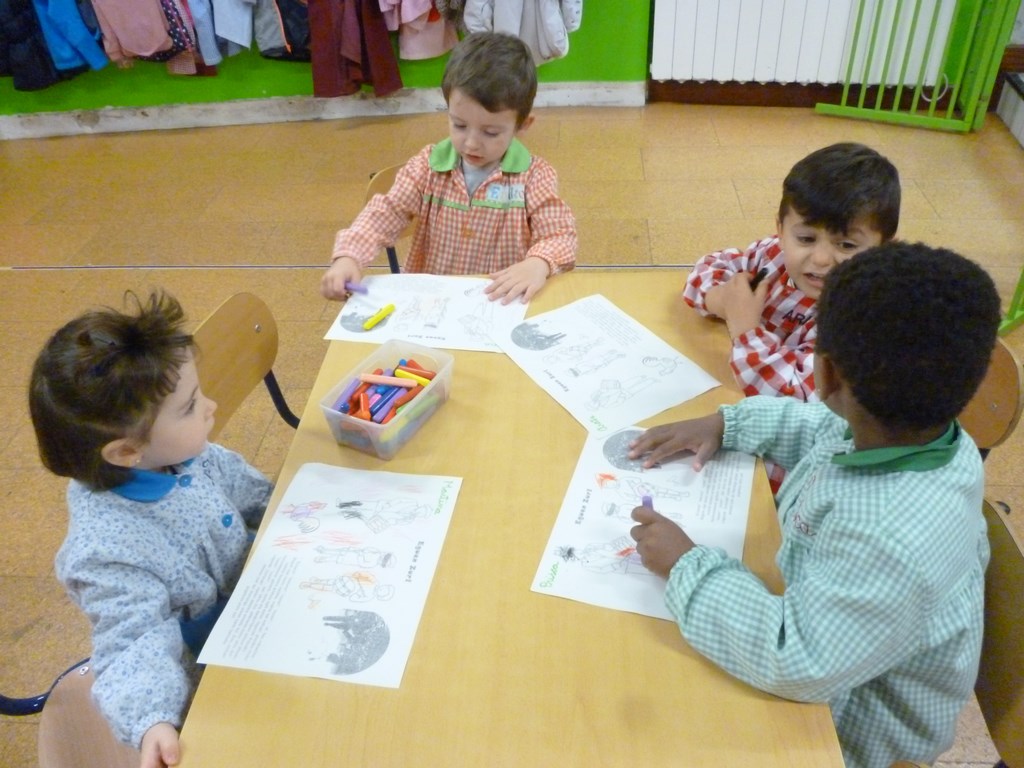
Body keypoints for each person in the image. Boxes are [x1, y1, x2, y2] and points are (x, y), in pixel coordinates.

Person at [627, 242, 1000, 768]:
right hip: (837, 639)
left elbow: (796, 659)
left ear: (824, 375)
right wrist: (727, 423)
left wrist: (686, 565)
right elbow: (817, 425)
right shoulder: (922, 432)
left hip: (851, 735)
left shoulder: (887, 539)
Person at [29, 290, 273, 768]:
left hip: (259, 598)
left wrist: (296, 511)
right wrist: (152, 720)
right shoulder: (104, 551)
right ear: (126, 451)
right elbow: (132, 641)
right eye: (190, 406)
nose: (210, 407)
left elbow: (251, 494)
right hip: (213, 670)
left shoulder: (183, 455)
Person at [320, 31, 577, 305]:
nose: (471, 143)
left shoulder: (535, 176)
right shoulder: (427, 167)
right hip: (433, 305)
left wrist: (539, 263)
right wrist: (349, 257)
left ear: (522, 125)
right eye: (459, 125)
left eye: (490, 132)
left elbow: (560, 234)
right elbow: (383, 214)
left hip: (498, 304)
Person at [684, 142, 900, 402]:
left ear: (883, 249)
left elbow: (796, 391)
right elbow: (709, 267)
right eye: (806, 239)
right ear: (781, 231)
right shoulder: (773, 257)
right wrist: (721, 300)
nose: (821, 259)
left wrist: (745, 331)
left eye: (846, 245)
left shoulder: (862, 318)